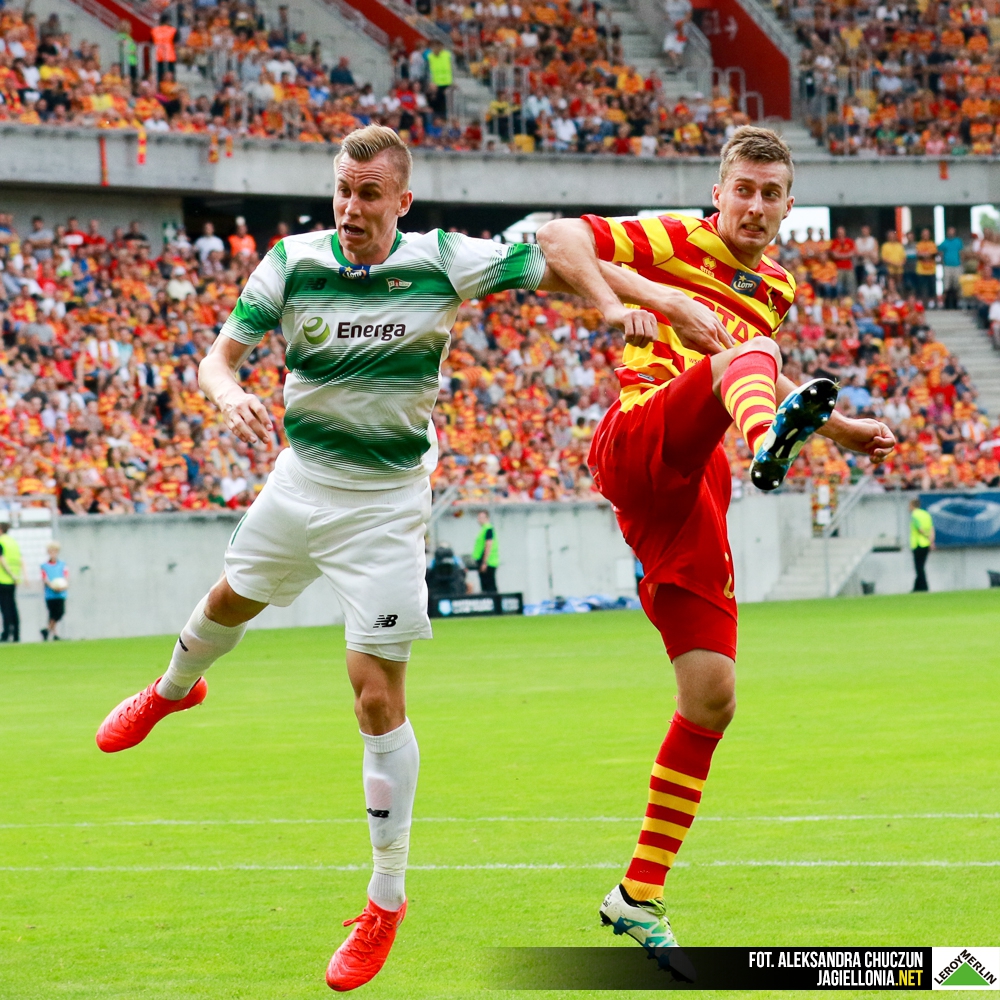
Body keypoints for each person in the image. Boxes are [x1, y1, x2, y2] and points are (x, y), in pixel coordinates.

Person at [93, 124, 577, 993]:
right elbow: (216, 361)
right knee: (229, 601)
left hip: (385, 509)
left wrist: (628, 298)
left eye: (368, 195)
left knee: (376, 697)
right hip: (300, 481)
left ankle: (385, 900)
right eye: (342, 191)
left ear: (402, 201)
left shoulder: (443, 259)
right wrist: (229, 393)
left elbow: (548, 262)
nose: (350, 208)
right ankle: (172, 690)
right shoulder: (291, 261)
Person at [536, 126, 895, 960]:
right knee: (756, 360)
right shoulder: (675, 239)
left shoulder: (776, 285)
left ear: (789, 206)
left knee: (711, 695)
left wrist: (840, 428)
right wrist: (629, 303)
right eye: (743, 190)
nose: (755, 206)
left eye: (771, 195)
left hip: (697, 481)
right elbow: (553, 238)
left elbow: (747, 362)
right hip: (637, 438)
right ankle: (771, 442)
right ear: (718, 193)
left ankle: (638, 894)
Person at [40, 541, 68, 641]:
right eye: (51, 551)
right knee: (52, 613)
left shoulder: (62, 564)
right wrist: (52, 586)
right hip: (50, 594)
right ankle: (55, 634)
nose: (53, 553)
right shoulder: (44, 566)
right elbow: (45, 578)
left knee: (60, 612)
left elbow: (65, 576)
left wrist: (63, 586)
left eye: (55, 551)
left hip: (61, 593)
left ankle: (47, 630)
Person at [0, 517, 21, 643]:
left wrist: (11, 574)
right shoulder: (13, 542)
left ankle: (7, 633)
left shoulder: (1, 542)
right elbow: (20, 559)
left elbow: (2, 560)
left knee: (5, 608)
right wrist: (16, 576)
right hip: (13, 580)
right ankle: (17, 634)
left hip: (2, 579)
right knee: (13, 607)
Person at [910, 498, 934, 591]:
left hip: (918, 544)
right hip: (926, 544)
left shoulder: (915, 515)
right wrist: (931, 541)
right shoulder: (926, 514)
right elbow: (932, 528)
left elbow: (919, 529)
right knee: (921, 566)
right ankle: (917, 587)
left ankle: (923, 587)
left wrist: (926, 537)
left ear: (912, 506)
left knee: (919, 567)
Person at [472, 509, 499, 592]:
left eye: (482, 517)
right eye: (479, 518)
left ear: (487, 518)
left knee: (489, 585)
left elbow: (488, 545)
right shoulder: (483, 529)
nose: (479, 520)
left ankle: (494, 599)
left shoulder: (488, 529)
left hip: (488, 561)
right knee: (485, 585)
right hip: (484, 561)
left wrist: (484, 562)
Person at [938, 227, 964, 309]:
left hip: (957, 266)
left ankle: (958, 303)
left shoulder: (958, 241)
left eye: (952, 231)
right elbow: (939, 251)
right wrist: (941, 261)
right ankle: (944, 304)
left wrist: (962, 263)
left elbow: (961, 253)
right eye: (949, 231)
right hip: (947, 266)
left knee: (957, 285)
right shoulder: (944, 242)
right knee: (946, 286)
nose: (951, 233)